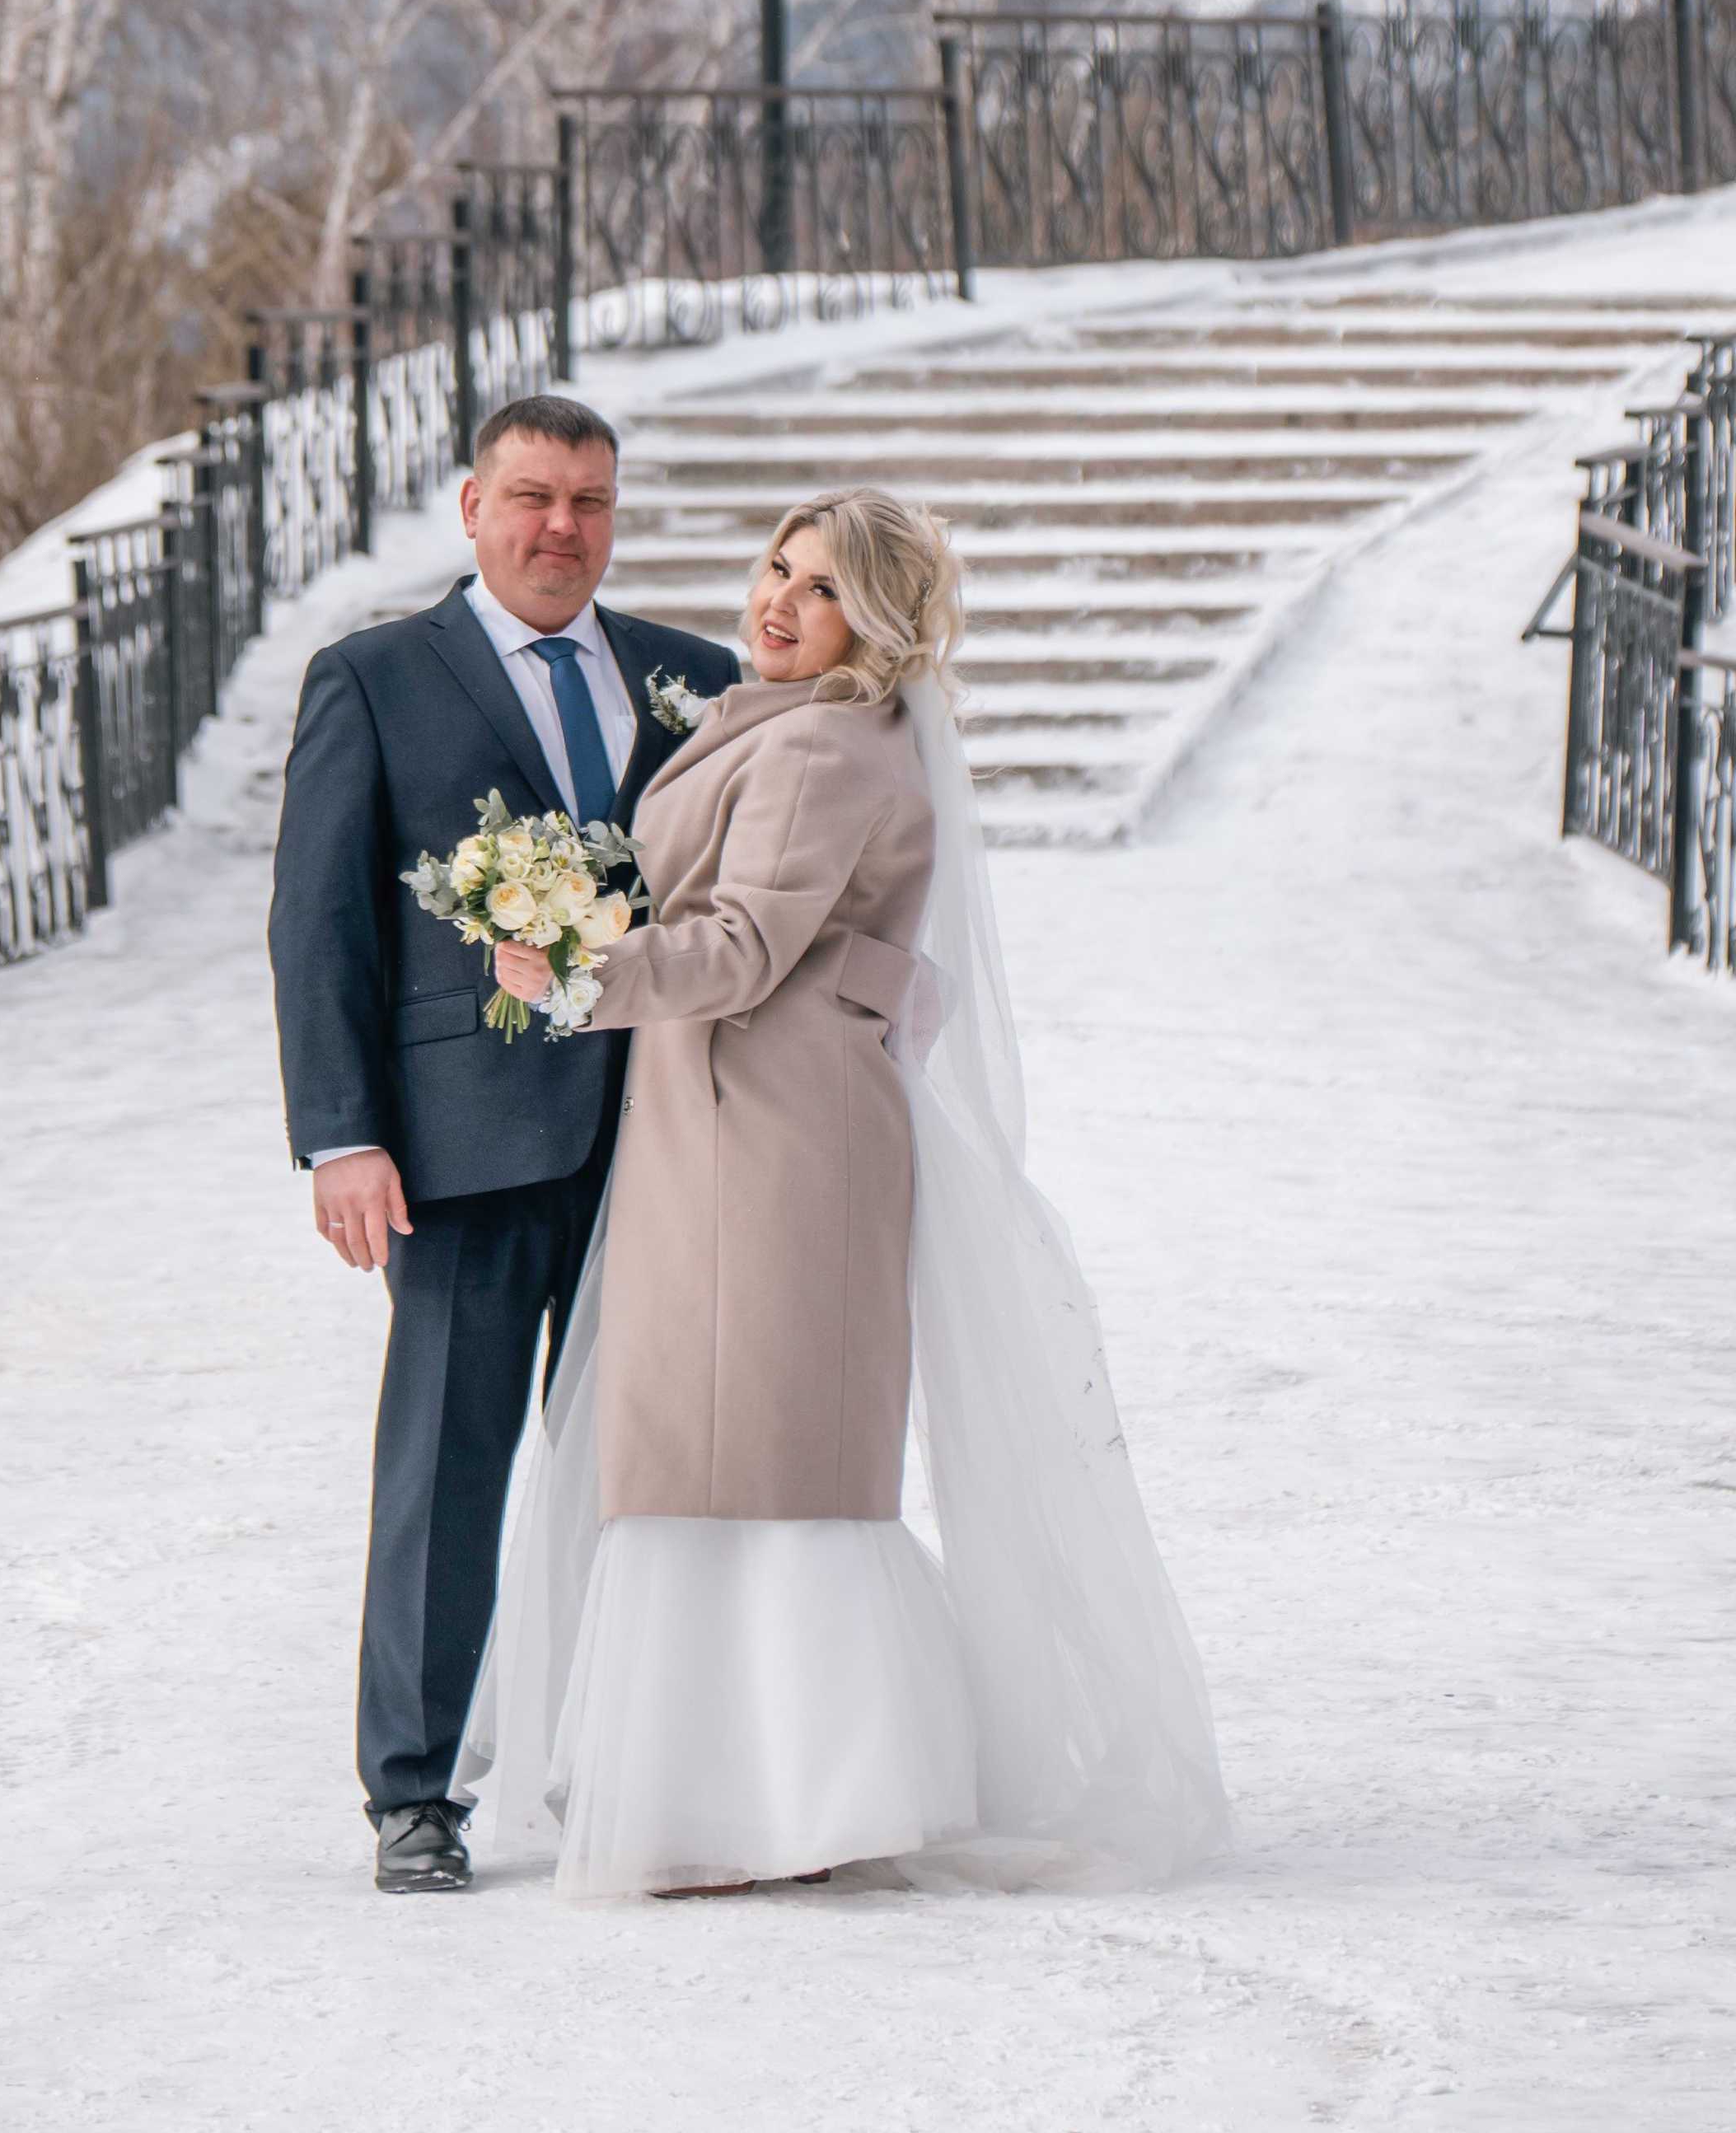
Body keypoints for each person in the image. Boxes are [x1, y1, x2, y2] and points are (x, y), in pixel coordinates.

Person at [466, 486, 1231, 1899]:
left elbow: (748, 946)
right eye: (774, 567)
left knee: (761, 1450)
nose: (776, 600)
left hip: (774, 1130)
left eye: (818, 588)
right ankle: (752, 1791)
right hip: (740, 1117)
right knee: (730, 1447)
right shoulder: (805, 724)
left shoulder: (823, 745)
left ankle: (791, 1798)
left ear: (870, 618)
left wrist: (582, 972)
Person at [266, 393, 742, 1893]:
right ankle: (415, 1789)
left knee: (655, 1463)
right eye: (533, 497)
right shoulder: (375, 679)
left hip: (667, 1138)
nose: (563, 530)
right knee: (447, 1471)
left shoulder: (697, 680)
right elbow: (320, 931)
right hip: (463, 1148)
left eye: (592, 503)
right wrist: (343, 1137)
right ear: (472, 504)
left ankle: (640, 1757)